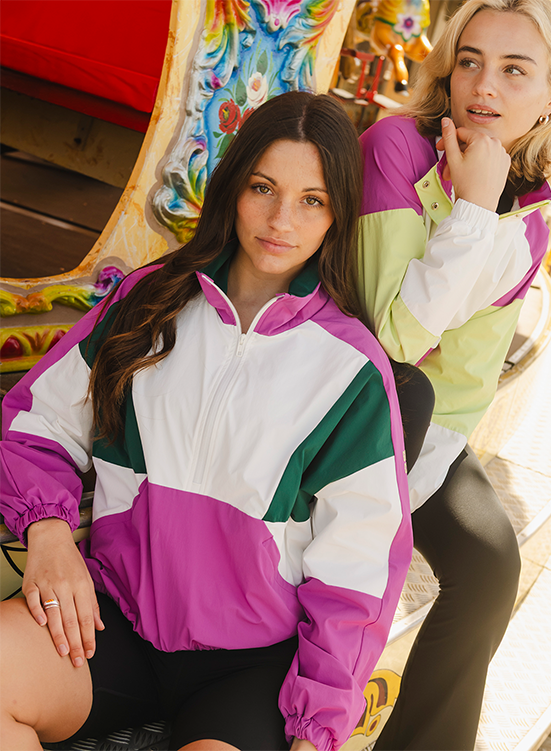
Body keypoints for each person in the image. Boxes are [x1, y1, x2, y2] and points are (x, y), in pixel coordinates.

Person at [0, 91, 417, 751]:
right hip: (112, 619)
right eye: (263, 188)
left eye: (311, 200)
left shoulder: (351, 371)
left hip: (251, 670)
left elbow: (358, 570)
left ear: (338, 213)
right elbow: (36, 421)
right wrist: (48, 533)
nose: (281, 219)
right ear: (234, 187)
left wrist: (316, 725)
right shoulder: (149, 302)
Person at [356, 0, 551, 749]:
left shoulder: (533, 214)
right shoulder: (395, 149)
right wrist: (473, 208)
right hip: (353, 411)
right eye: (471, 61)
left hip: (426, 434)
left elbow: (455, 369)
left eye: (514, 70)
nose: (484, 85)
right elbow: (392, 339)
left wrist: (486, 206)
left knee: (489, 566)